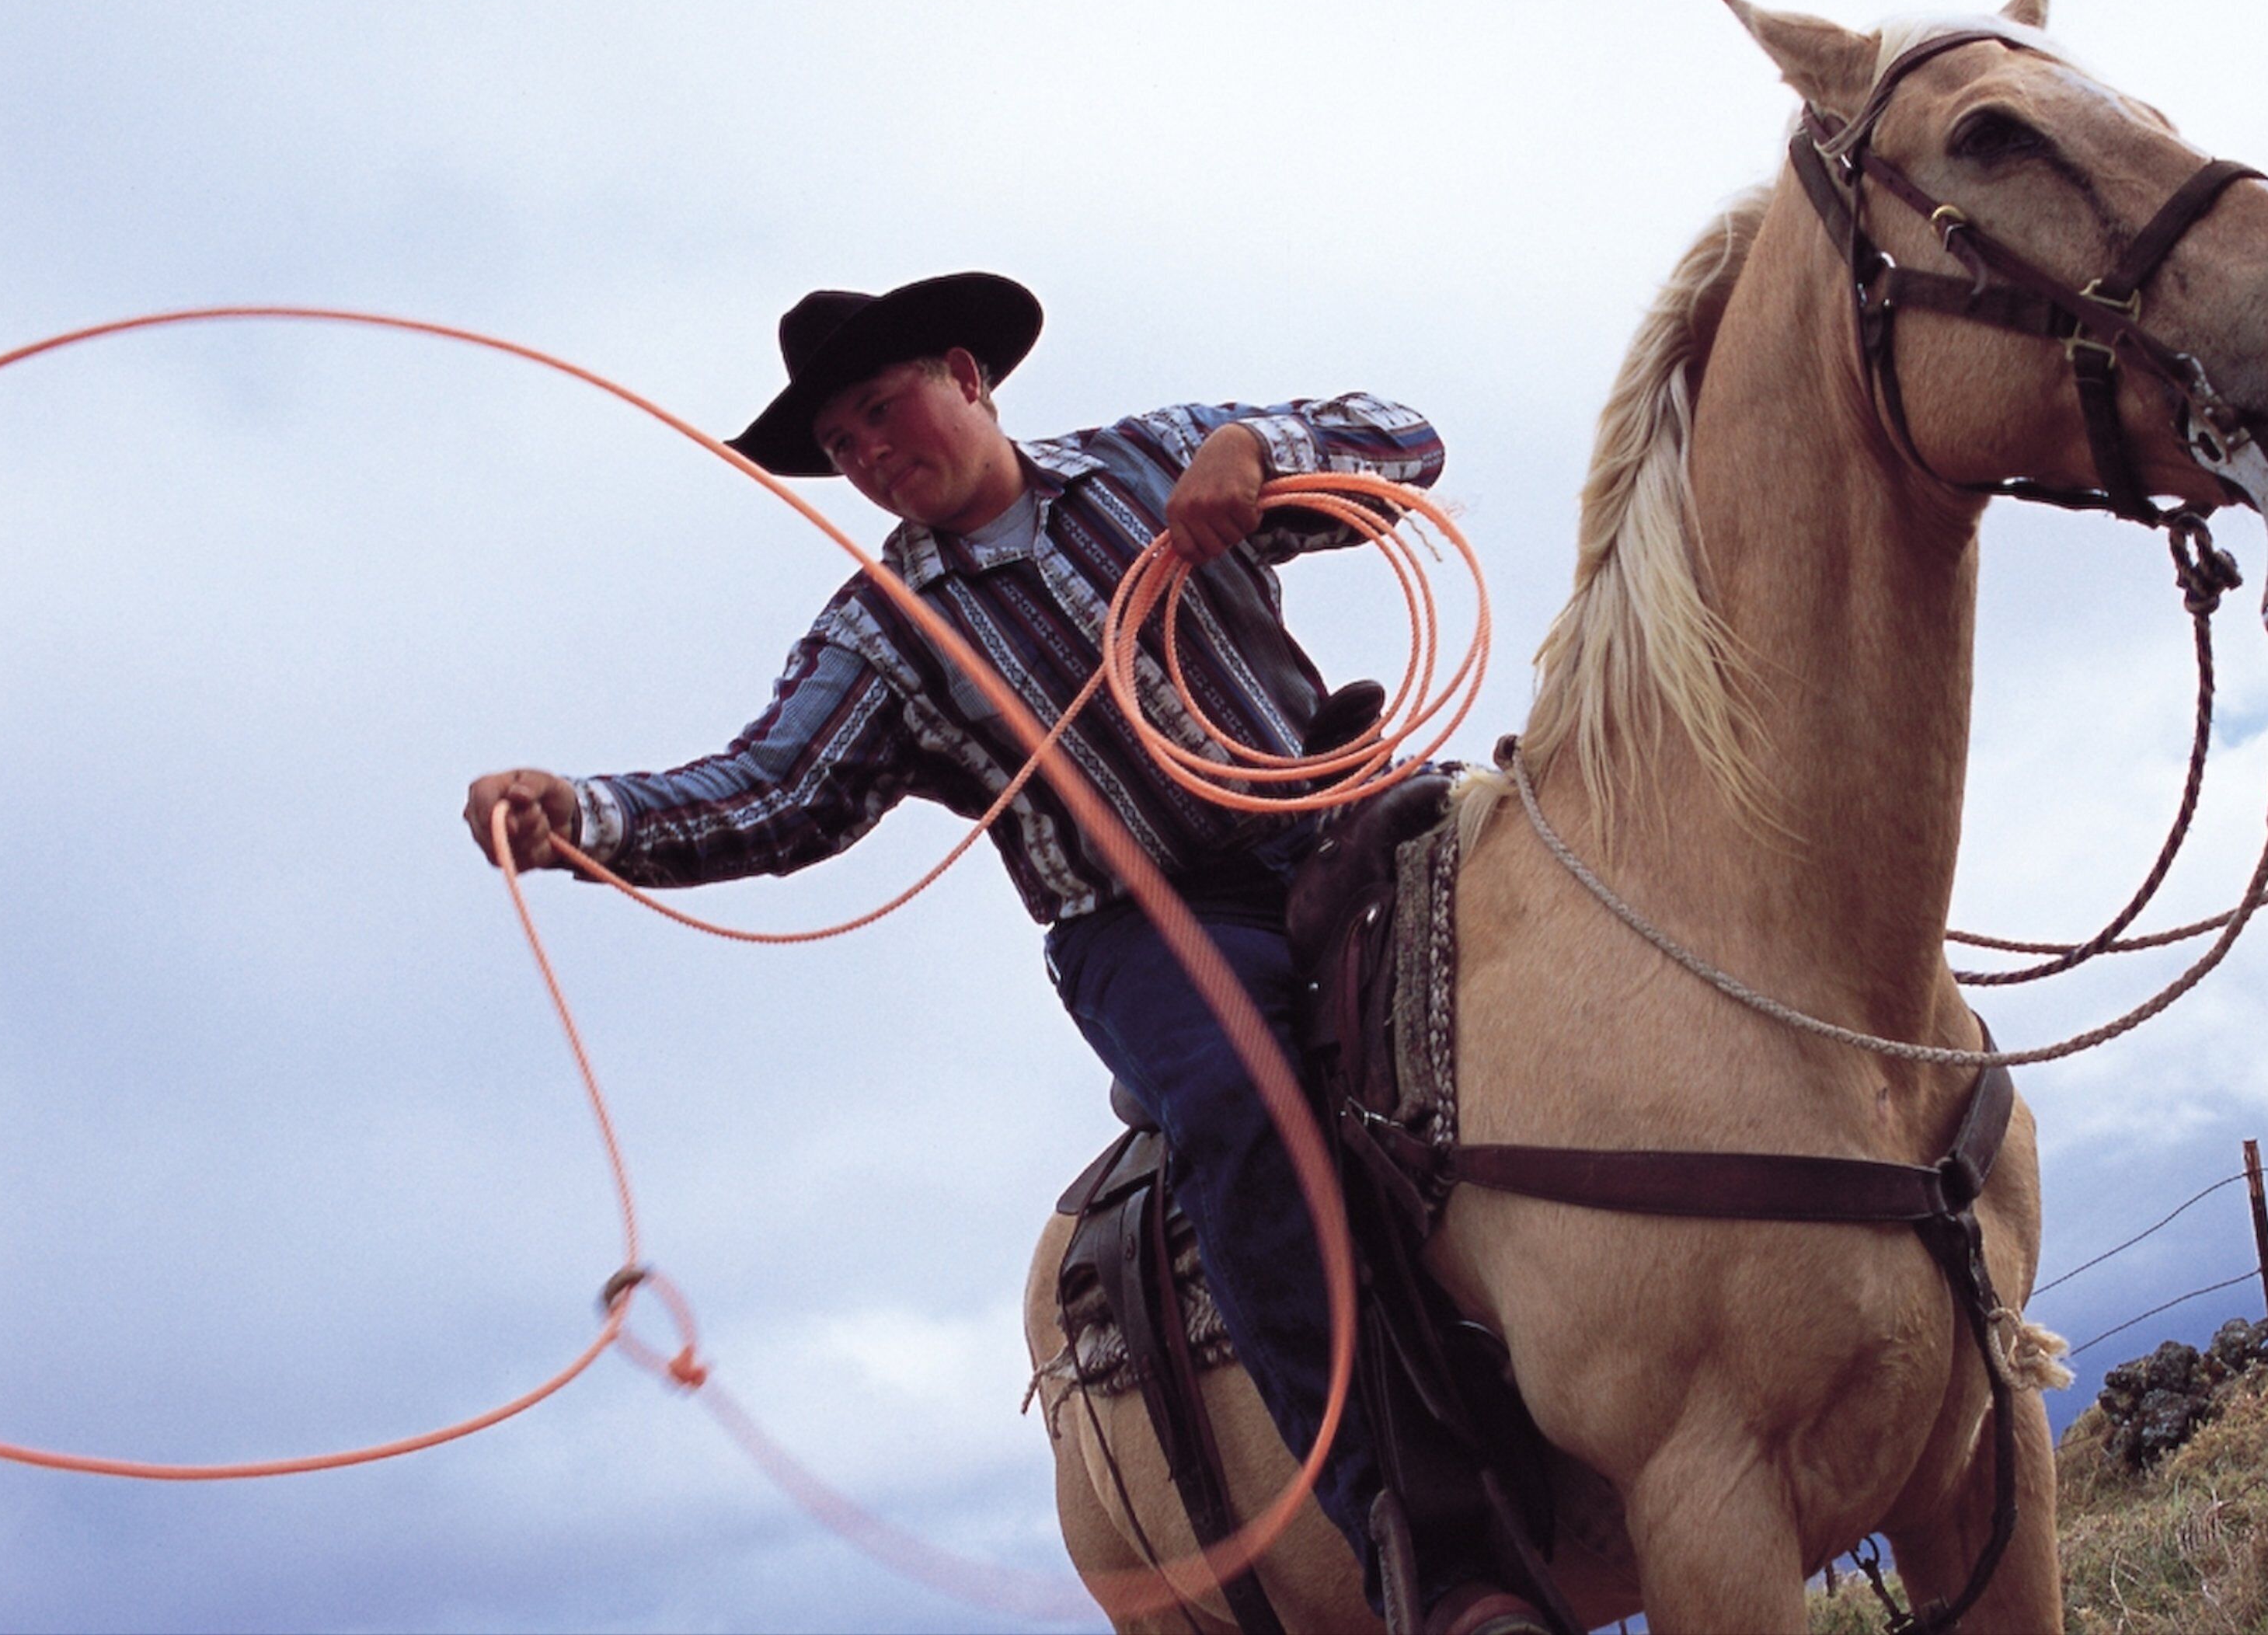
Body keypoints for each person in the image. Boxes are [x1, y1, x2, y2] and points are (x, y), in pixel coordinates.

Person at [463, 273, 1543, 1635]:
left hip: (1344, 827)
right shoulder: (881, 637)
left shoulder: (1155, 460)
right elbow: (773, 789)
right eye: (841, 445)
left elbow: (1405, 442)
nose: (865, 455)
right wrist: (587, 816)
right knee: (1238, 1104)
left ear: (968, 377)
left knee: (1569, 907)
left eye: (878, 409)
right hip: (1148, 924)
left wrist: (1262, 457)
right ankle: (1428, 1552)